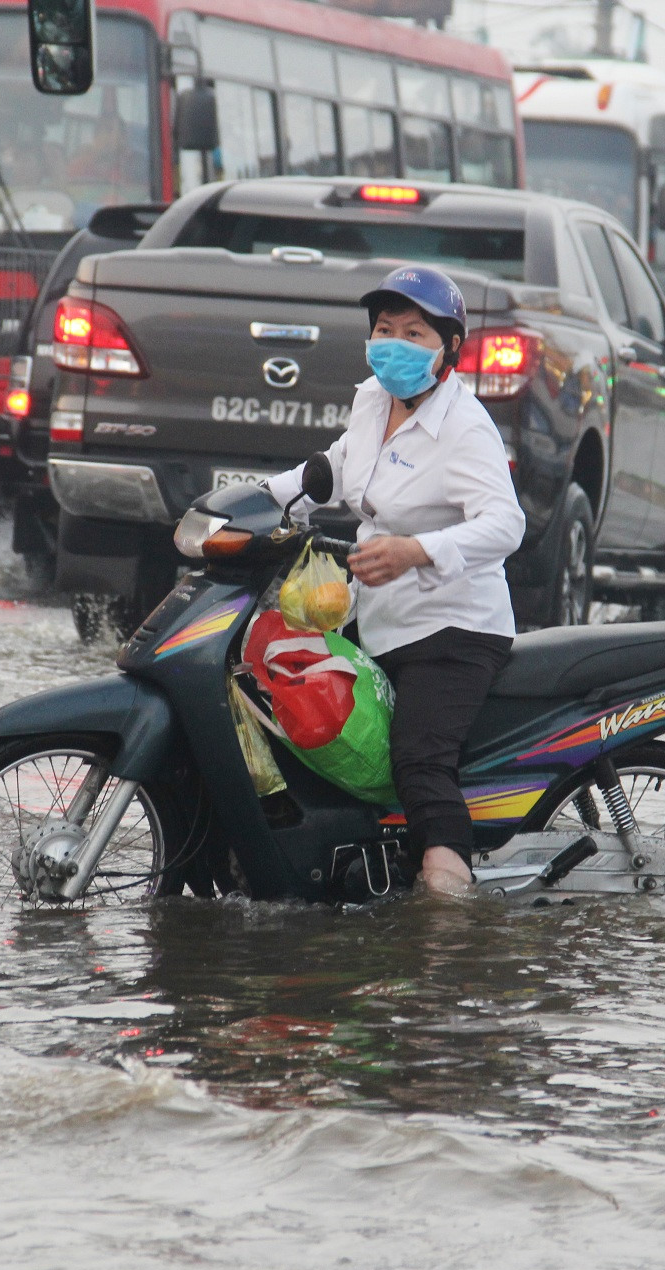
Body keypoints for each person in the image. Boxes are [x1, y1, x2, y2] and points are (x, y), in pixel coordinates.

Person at [265, 266, 527, 896]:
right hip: (378, 617)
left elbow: (506, 525)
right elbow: (332, 469)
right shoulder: (372, 401)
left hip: (453, 629)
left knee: (418, 762)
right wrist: (250, 503)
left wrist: (417, 551)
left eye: (414, 334)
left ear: (448, 349)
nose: (395, 345)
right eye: (385, 329)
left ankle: (447, 905)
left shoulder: (465, 427)